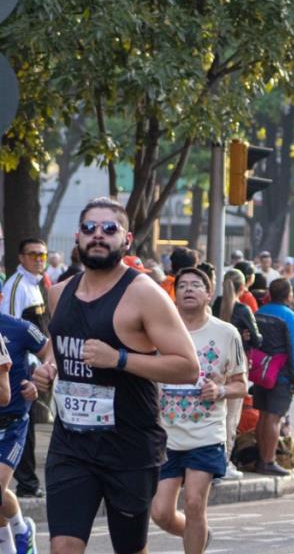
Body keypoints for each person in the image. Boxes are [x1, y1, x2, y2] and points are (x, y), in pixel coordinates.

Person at [33, 197, 201, 554]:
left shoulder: (144, 294)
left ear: (126, 240)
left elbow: (188, 367)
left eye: (109, 229)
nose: (98, 235)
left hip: (129, 447)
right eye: (90, 228)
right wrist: (47, 370)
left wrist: (120, 359)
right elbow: (61, 347)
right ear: (78, 237)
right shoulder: (58, 294)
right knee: (62, 546)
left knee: (129, 548)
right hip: (71, 444)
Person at [152, 267, 246, 554]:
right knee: (161, 512)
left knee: (194, 502)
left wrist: (220, 391)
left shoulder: (226, 333)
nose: (188, 289)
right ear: (174, 294)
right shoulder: (159, 330)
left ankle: (195, 537)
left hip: (206, 434)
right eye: (182, 286)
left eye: (196, 285)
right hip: (167, 435)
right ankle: (198, 534)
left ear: (209, 295)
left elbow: (241, 385)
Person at [1, 238, 48, 500]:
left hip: (17, 396)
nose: (39, 260)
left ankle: (28, 483)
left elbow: (40, 342)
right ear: (21, 258)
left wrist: (40, 374)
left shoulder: (33, 285)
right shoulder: (17, 286)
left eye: (42, 255)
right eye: (33, 255)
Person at [0, 309, 45, 554]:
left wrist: (37, 378)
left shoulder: (19, 327)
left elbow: (49, 352)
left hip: (12, 423)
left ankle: (21, 532)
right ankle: (16, 537)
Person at [255, 278, 294, 476]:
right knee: (274, 418)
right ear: (288, 295)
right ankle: (268, 461)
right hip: (281, 376)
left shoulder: (260, 312)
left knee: (263, 415)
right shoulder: (289, 317)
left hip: (261, 372)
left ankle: (261, 458)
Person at [214, 268, 261, 481]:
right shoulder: (242, 310)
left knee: (215, 415)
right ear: (243, 287)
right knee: (231, 417)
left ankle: (215, 460)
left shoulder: (214, 305)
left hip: (214, 364)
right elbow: (258, 340)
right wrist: (248, 336)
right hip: (236, 367)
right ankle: (224, 462)